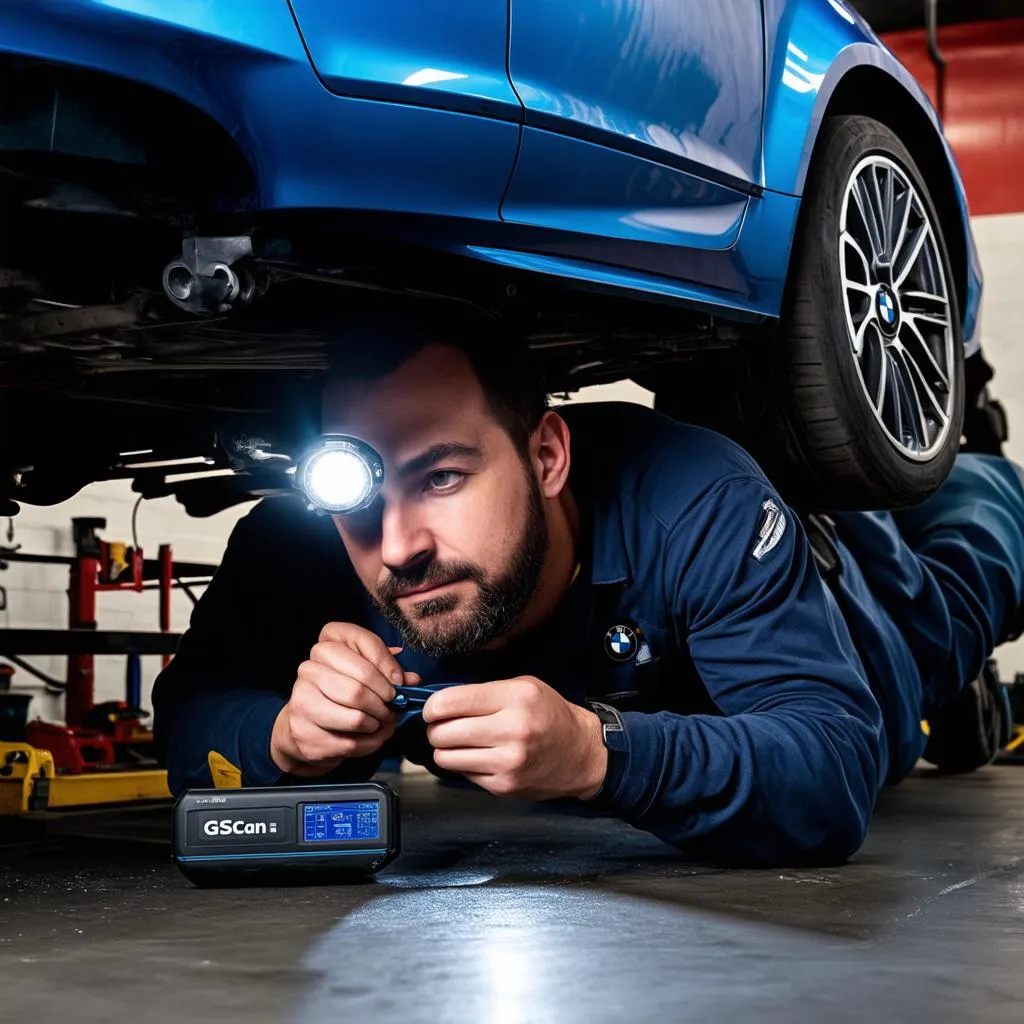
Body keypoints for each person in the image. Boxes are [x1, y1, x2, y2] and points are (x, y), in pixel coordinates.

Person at [152, 310, 1024, 866]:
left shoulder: (694, 500)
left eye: (444, 479)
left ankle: (975, 452)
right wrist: (280, 739)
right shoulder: (299, 546)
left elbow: (834, 769)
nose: (399, 547)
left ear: (546, 455)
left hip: (864, 630)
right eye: (364, 499)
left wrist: (599, 754)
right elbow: (190, 710)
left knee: (965, 567)